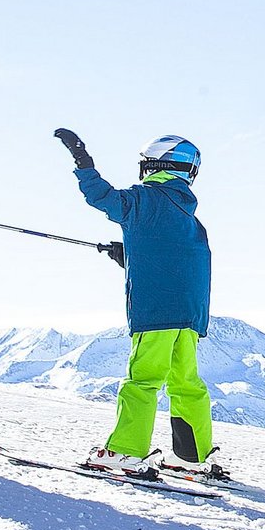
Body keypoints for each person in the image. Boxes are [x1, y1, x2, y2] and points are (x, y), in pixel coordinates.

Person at [52, 128, 221, 479]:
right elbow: (176, 255)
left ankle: (125, 451)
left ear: (152, 165)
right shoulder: (187, 213)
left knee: (142, 380)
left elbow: (102, 197)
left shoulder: (143, 200)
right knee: (185, 381)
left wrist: (82, 161)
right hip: (190, 314)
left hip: (156, 311)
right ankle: (192, 456)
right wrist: (130, 255)